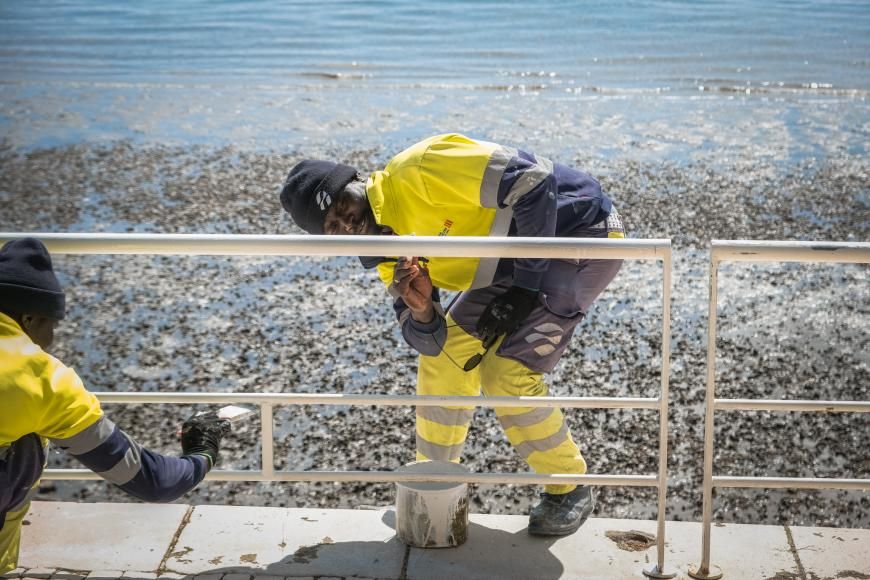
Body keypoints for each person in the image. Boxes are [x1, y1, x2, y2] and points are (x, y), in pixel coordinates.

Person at [279, 133, 624, 536]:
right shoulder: (385, 253)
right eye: (333, 227)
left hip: (579, 234)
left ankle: (569, 488)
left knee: (504, 373)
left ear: (356, 180)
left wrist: (524, 290)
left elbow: (535, 181)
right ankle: (433, 485)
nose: (347, 223)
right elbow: (426, 340)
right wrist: (423, 309)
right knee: (442, 358)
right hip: (507, 264)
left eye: (343, 205)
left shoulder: (422, 167)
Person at [0, 237, 232, 572]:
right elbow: (153, 480)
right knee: (28, 441)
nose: (51, 340)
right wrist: (202, 452)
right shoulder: (40, 378)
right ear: (29, 318)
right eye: (52, 325)